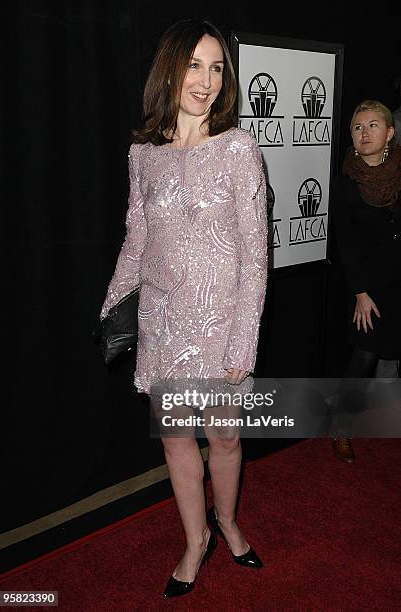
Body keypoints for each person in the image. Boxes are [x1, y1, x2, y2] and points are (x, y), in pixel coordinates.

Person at [100, 18, 267, 597]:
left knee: (223, 439)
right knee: (176, 441)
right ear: (169, 69)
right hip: (164, 323)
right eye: (195, 64)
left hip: (223, 325)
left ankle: (228, 522)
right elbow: (135, 238)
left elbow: (254, 258)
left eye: (217, 66)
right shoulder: (143, 154)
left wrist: (243, 342)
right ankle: (195, 540)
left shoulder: (240, 150)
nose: (207, 79)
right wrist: (113, 306)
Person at [330, 100, 401, 462]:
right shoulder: (345, 183)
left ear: (389, 132)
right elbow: (346, 242)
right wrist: (360, 292)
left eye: (373, 125)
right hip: (369, 288)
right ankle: (342, 427)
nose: (365, 133)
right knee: (364, 356)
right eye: (358, 127)